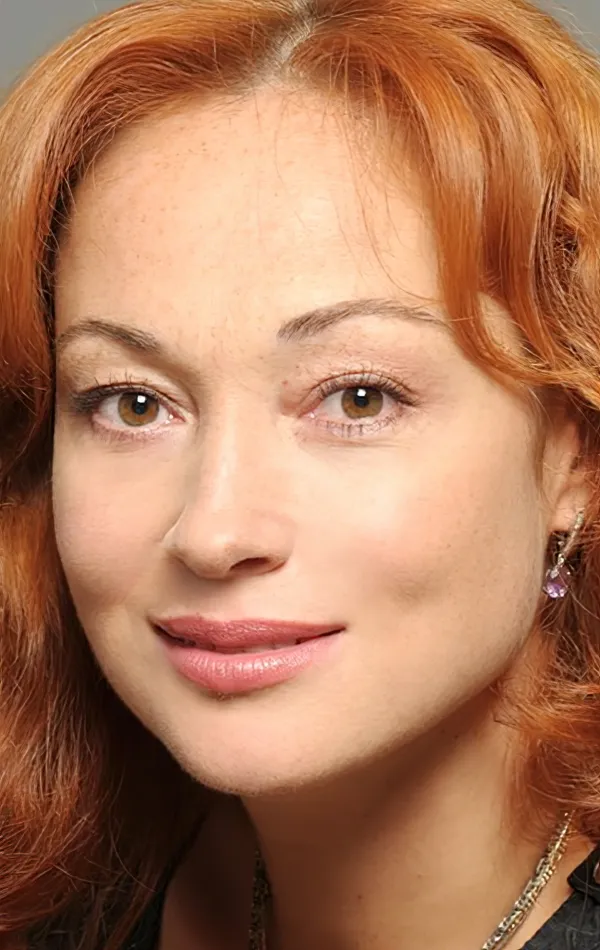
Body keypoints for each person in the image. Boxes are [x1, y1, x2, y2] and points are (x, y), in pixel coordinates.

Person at [2, 0, 600, 947]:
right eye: (133, 403)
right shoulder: (59, 895)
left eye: (358, 398)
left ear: (576, 456)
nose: (215, 532)